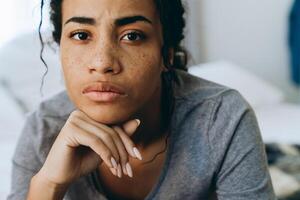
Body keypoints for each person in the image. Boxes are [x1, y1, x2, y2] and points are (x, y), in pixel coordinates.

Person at [7, 0, 276, 199]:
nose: (102, 63)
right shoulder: (42, 131)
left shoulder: (221, 118)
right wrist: (49, 183)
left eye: (132, 36)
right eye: (81, 35)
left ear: (167, 54)